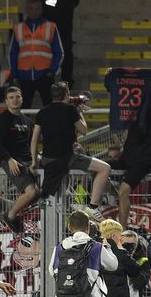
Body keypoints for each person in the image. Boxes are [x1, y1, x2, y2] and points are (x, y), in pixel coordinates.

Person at [31, 82, 110, 221]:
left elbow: (34, 140)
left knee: (59, 193)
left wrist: (33, 161)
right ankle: (93, 207)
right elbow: (84, 130)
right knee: (105, 168)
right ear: (66, 94)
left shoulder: (42, 112)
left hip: (48, 159)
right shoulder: (70, 110)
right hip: (68, 158)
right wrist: (79, 111)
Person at [109, 76, 151, 226]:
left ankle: (122, 231)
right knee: (100, 168)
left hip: (142, 161)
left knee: (124, 189)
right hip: (126, 158)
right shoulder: (136, 115)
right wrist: (111, 80)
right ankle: (114, 193)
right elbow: (121, 100)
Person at [0, 86, 38, 233]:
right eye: (11, 98)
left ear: (22, 98)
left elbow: (31, 144)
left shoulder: (28, 122)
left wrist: (36, 159)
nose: (15, 100)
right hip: (11, 160)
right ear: (6, 101)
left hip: (28, 160)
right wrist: (9, 159)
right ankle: (10, 215)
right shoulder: (0, 120)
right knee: (31, 192)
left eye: (17, 97)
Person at [9, 0, 63, 108]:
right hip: (24, 75)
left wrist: (52, 71)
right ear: (27, 9)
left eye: (37, 9)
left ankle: (49, 126)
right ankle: (24, 126)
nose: (34, 11)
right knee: (23, 109)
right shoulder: (18, 28)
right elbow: (12, 53)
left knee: (49, 108)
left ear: (41, 9)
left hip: (45, 74)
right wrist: (14, 74)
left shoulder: (51, 27)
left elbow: (59, 52)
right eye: (31, 8)